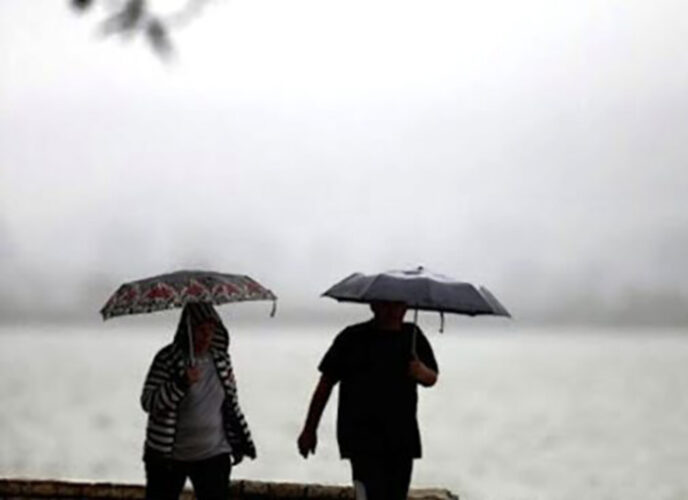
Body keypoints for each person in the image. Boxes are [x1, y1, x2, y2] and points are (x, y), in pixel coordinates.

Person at [297, 300, 439, 500]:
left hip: (401, 438)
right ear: (373, 306)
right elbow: (325, 384)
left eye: (397, 305)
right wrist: (310, 429)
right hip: (361, 438)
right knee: (367, 494)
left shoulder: (413, 336)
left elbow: (432, 377)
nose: (392, 311)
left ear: (406, 308)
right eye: (386, 305)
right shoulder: (351, 338)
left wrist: (421, 372)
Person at [140, 302, 256, 500]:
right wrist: (180, 383)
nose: (206, 336)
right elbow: (148, 402)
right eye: (200, 330)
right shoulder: (167, 359)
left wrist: (238, 441)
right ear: (187, 330)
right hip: (168, 457)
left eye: (210, 330)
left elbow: (230, 405)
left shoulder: (221, 360)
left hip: (214, 453)